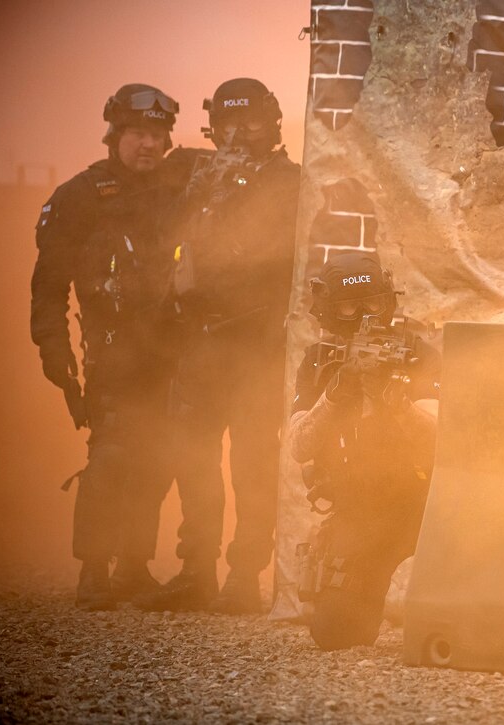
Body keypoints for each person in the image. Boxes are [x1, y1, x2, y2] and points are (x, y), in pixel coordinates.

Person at [136, 78, 301, 614]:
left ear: (273, 123)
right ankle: (196, 570)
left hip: (257, 344)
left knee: (255, 463)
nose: (238, 134)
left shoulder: (296, 183)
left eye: (250, 121)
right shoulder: (194, 178)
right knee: (194, 460)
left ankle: (243, 578)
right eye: (227, 123)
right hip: (200, 343)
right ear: (212, 126)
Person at [30, 84, 193, 610]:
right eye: (139, 133)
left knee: (159, 458)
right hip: (111, 352)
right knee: (113, 457)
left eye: (158, 135)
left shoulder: (179, 186)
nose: (149, 144)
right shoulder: (79, 196)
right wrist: (55, 355)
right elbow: (49, 285)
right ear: (115, 135)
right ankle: (94, 571)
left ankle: (133, 566)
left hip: (171, 350)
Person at [290, 252, 440, 650]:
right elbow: (298, 446)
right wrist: (336, 394)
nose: (362, 315)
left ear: (388, 301)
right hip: (359, 513)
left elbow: (446, 438)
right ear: (328, 311)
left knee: (453, 626)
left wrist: (396, 404)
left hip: (423, 505)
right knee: (335, 631)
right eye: (348, 306)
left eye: (372, 303)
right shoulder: (319, 362)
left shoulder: (418, 354)